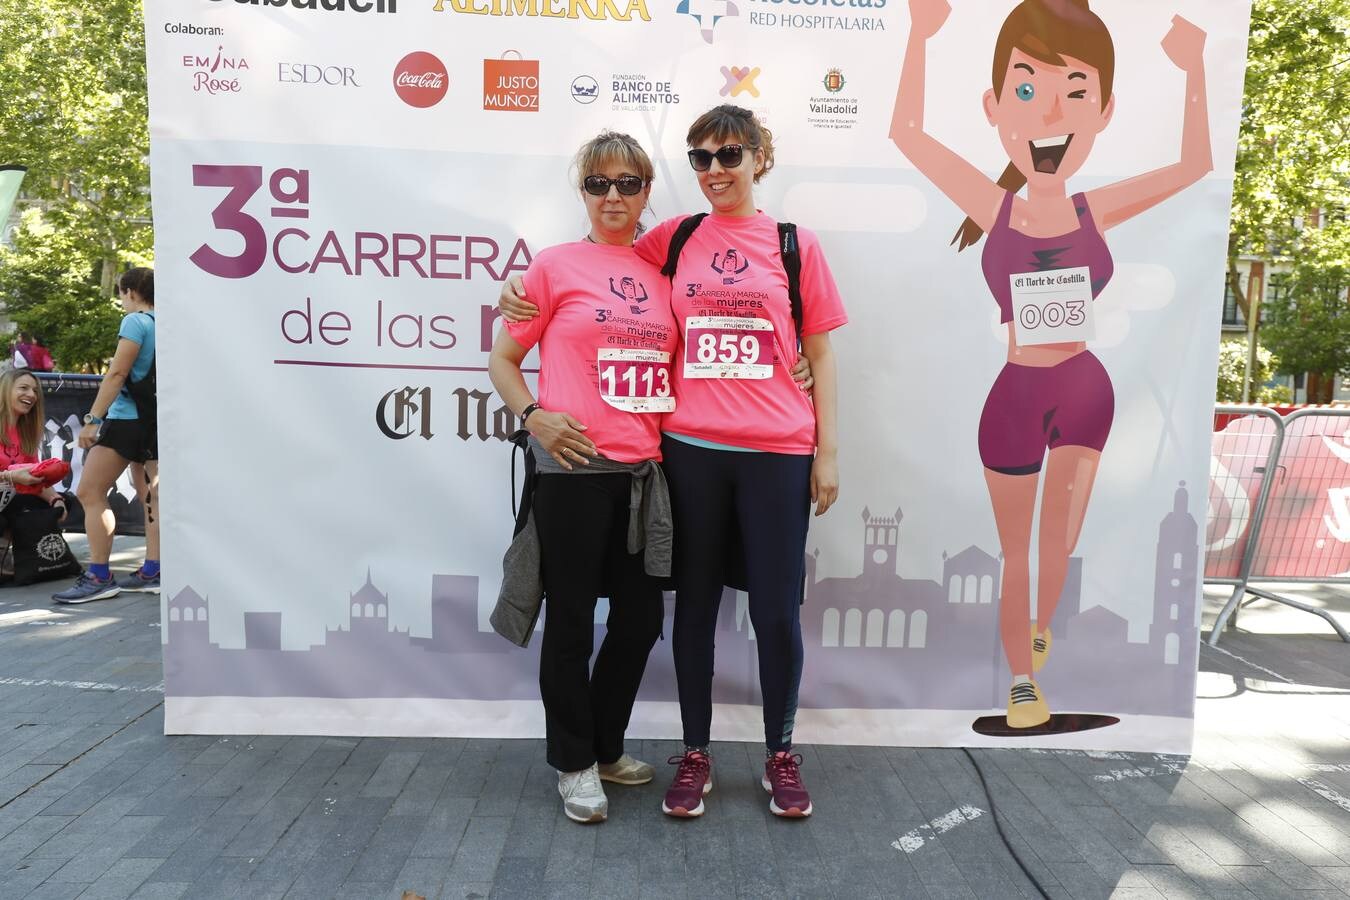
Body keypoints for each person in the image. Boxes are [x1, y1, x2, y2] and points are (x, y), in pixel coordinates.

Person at [501, 105, 846, 818]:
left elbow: (803, 346)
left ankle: (744, 753)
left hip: (709, 463)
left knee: (707, 617)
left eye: (729, 155)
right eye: (702, 158)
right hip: (636, 464)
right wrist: (527, 380)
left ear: (758, 157)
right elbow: (523, 334)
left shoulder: (738, 249)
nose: (614, 196)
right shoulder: (613, 252)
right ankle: (633, 759)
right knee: (627, 615)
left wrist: (818, 426)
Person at [891, 0, 1211, 727]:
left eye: (1075, 93)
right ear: (996, 103)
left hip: (1084, 390)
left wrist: (1194, 71)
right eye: (1028, 90)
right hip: (1015, 397)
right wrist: (919, 34)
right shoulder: (992, 205)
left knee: (1057, 544)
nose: (1048, 113)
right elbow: (906, 133)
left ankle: (1035, 629)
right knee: (1017, 552)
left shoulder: (1097, 210)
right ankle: (1023, 682)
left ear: (1102, 112)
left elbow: (1195, 164)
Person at [488, 131, 675, 824]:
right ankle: (573, 764)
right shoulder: (553, 266)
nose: (614, 196)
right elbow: (503, 362)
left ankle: (603, 747)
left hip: (644, 474)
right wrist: (535, 416)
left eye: (628, 183)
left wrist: (796, 365)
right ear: (584, 192)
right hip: (571, 473)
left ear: (647, 190)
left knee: (639, 621)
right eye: (599, 184)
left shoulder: (669, 271)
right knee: (569, 622)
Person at [53, 267, 160, 603]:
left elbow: (117, 373)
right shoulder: (168, 324)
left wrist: (92, 419)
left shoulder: (136, 322)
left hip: (127, 420)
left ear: (128, 291)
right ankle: (154, 570)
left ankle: (99, 576)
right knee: (152, 497)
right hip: (156, 419)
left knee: (89, 491)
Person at [0, 368, 68, 542]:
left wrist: (55, 499)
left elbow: (37, 479)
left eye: (35, 391)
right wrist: (10, 476)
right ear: (5, 390)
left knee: (60, 504)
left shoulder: (26, 433)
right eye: (23, 388)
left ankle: (30, 560)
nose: (31, 395)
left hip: (7, 501)